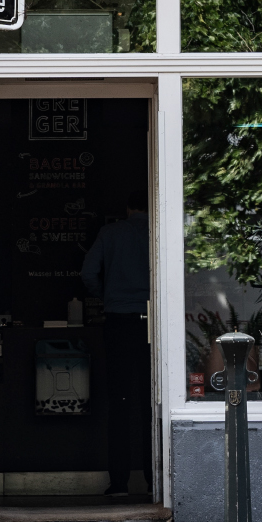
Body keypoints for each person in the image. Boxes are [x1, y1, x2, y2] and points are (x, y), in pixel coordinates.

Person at [81, 191, 150, 497]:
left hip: (119, 321)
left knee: (119, 403)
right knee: (152, 402)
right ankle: (155, 479)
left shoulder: (110, 233)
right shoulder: (159, 231)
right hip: (153, 323)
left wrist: (105, 295)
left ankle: (119, 482)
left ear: (128, 206)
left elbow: (87, 273)